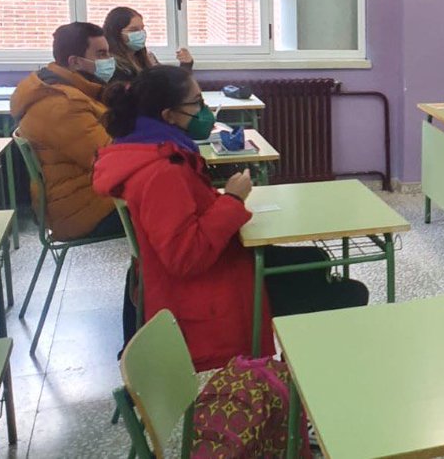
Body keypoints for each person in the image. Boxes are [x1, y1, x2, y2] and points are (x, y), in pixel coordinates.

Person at [93, 66, 369, 371]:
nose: (204, 111)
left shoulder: (151, 150)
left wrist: (224, 202)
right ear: (168, 115)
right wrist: (233, 200)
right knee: (348, 292)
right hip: (209, 294)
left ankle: (295, 377)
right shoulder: (162, 171)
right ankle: (307, 378)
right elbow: (186, 257)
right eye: (196, 103)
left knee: (316, 257)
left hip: (211, 271)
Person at [10, 22, 122, 241]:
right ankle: (147, 273)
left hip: (81, 196)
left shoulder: (66, 89)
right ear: (75, 62)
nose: (109, 60)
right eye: (101, 54)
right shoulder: (62, 105)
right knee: (167, 205)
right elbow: (110, 161)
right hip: (80, 209)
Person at [102, 6, 194, 83]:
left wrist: (186, 65)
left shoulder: (147, 58)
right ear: (116, 33)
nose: (141, 33)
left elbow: (169, 85)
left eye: (142, 29)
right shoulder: (112, 67)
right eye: (133, 30)